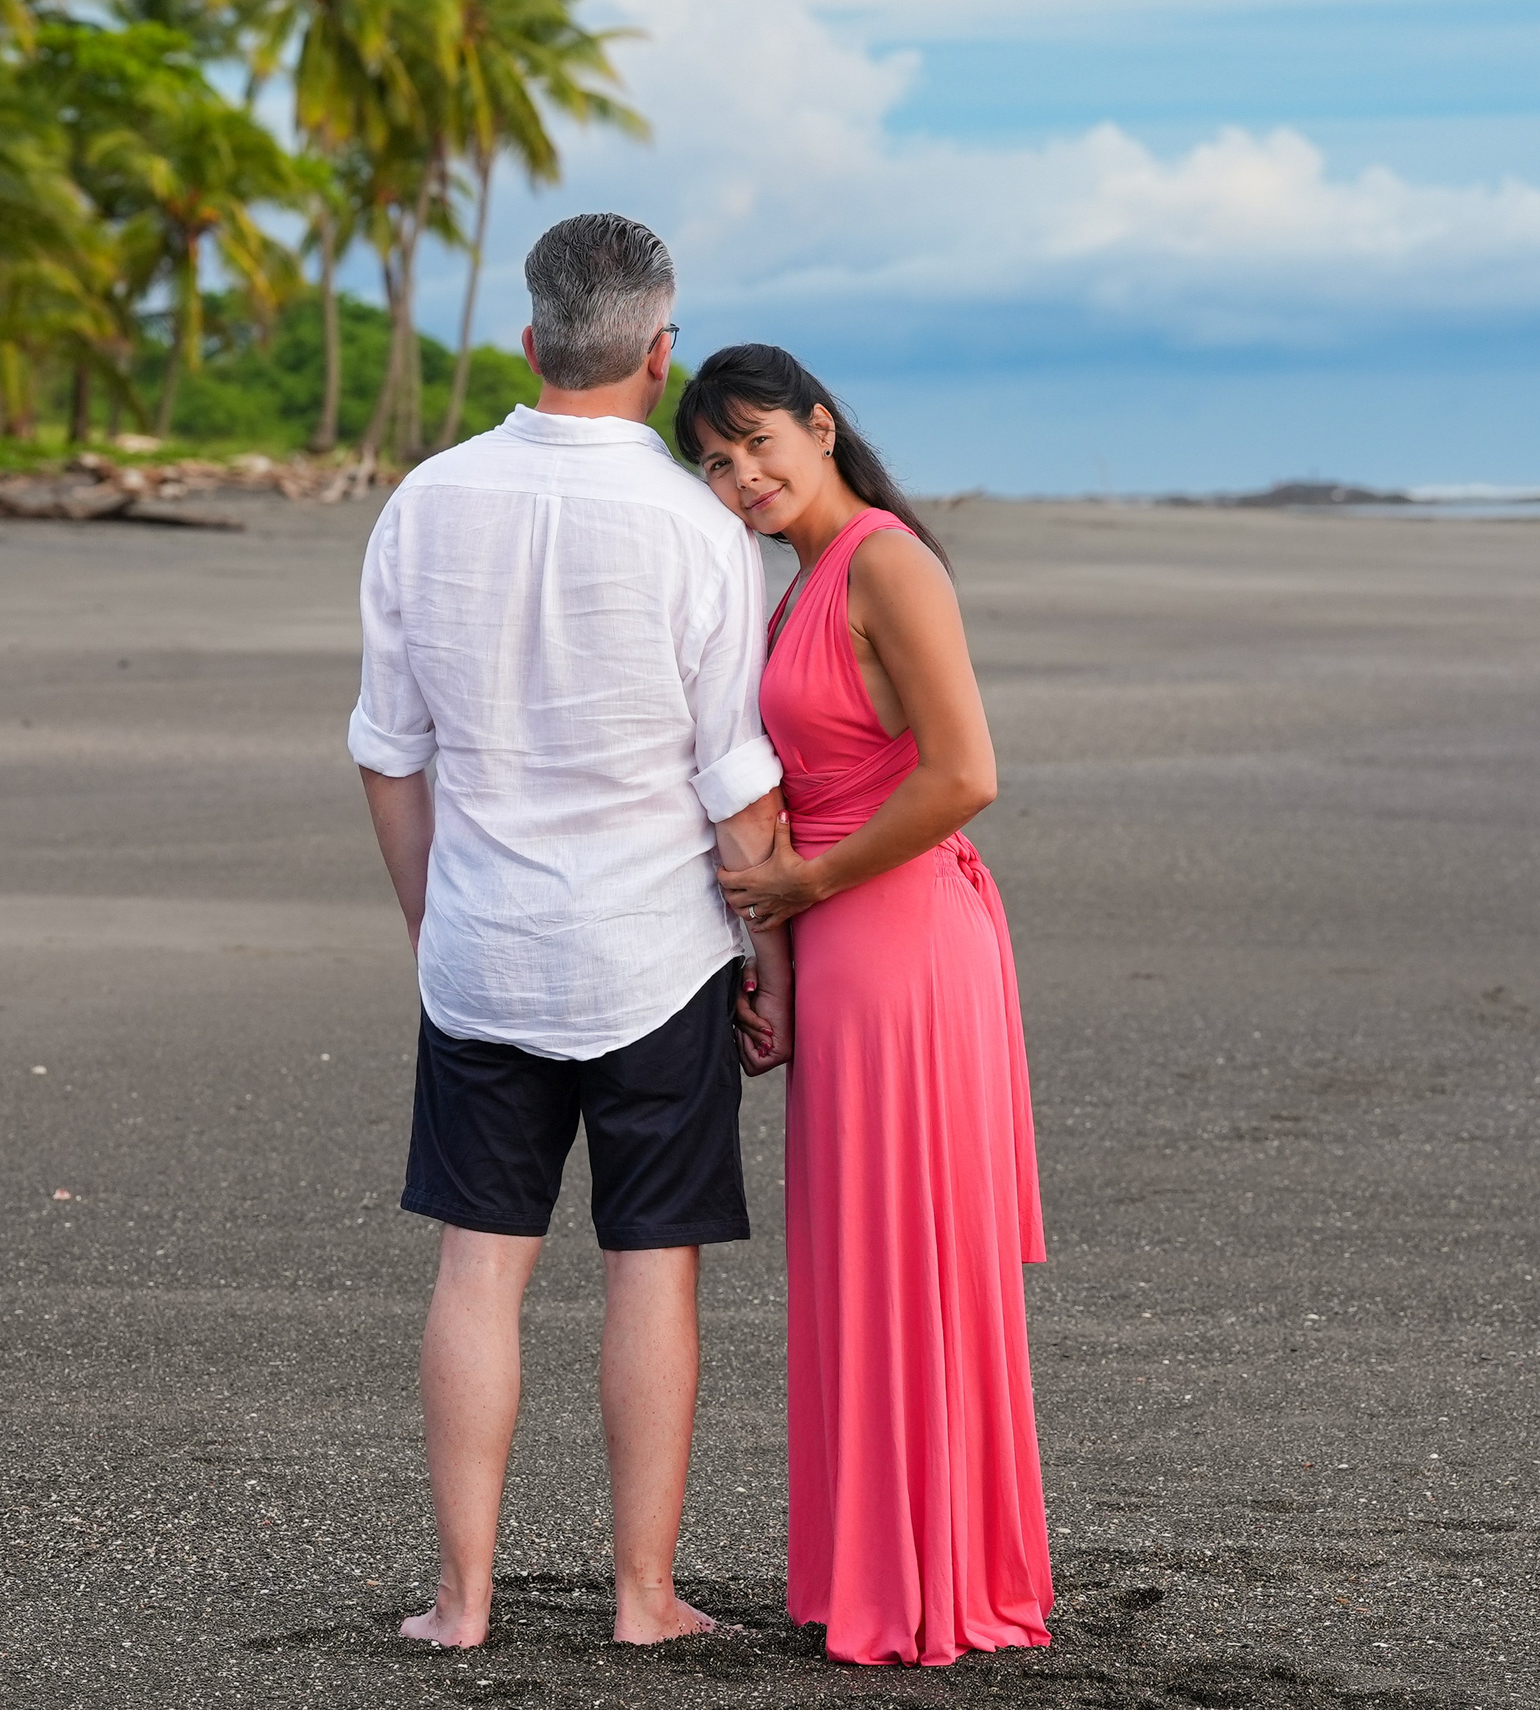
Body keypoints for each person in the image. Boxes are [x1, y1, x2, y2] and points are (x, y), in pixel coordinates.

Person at [349, 216, 794, 1649]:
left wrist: (437, 928)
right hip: (654, 950)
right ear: (662, 358)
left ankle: (462, 1597)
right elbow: (735, 783)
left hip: (482, 945)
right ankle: (641, 1593)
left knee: (480, 1265)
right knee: (650, 1265)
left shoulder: (425, 500)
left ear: (530, 342)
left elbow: (389, 752)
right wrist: (763, 955)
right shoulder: (698, 527)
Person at [678, 344, 1054, 1666]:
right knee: (855, 1266)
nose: (743, 476)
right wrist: (776, 948)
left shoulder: (887, 559)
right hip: (841, 949)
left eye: (759, 441)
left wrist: (806, 882)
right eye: (715, 464)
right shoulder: (795, 586)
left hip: (903, 943)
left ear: (821, 426)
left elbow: (965, 772)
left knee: (916, 1260)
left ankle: (939, 1577)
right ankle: (878, 1568)